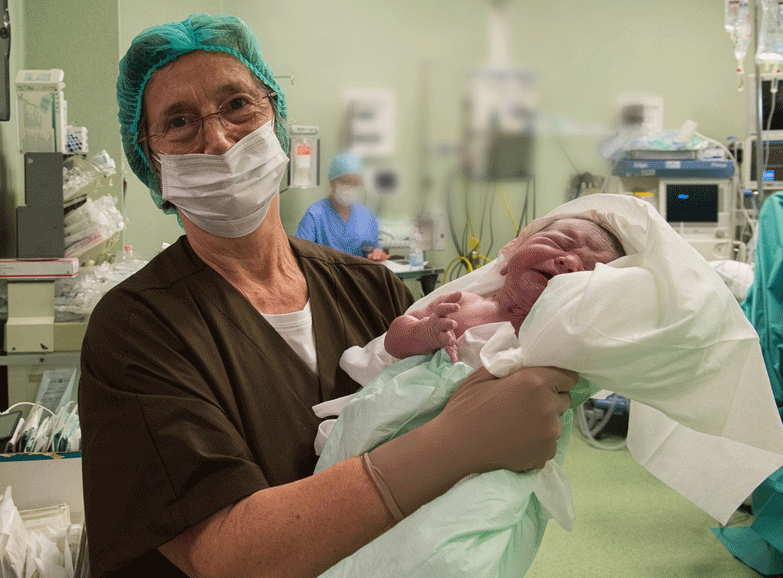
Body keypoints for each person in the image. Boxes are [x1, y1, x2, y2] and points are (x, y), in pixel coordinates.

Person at [78, 13, 577, 578]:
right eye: (179, 121)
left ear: (276, 117)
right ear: (150, 159)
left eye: (237, 105)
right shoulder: (136, 329)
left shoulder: (373, 290)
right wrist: (457, 442)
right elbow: (224, 558)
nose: (217, 139)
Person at [384, 218, 624, 363]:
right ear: (512, 255)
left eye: (589, 269)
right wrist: (424, 333)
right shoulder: (460, 304)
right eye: (559, 243)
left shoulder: (559, 337)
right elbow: (393, 341)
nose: (570, 262)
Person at [296, 152, 390, 260]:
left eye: (356, 183)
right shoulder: (315, 214)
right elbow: (300, 252)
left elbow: (373, 248)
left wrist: (377, 253)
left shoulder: (366, 216)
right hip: (326, 271)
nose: (351, 187)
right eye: (346, 182)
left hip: (360, 271)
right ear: (332, 183)